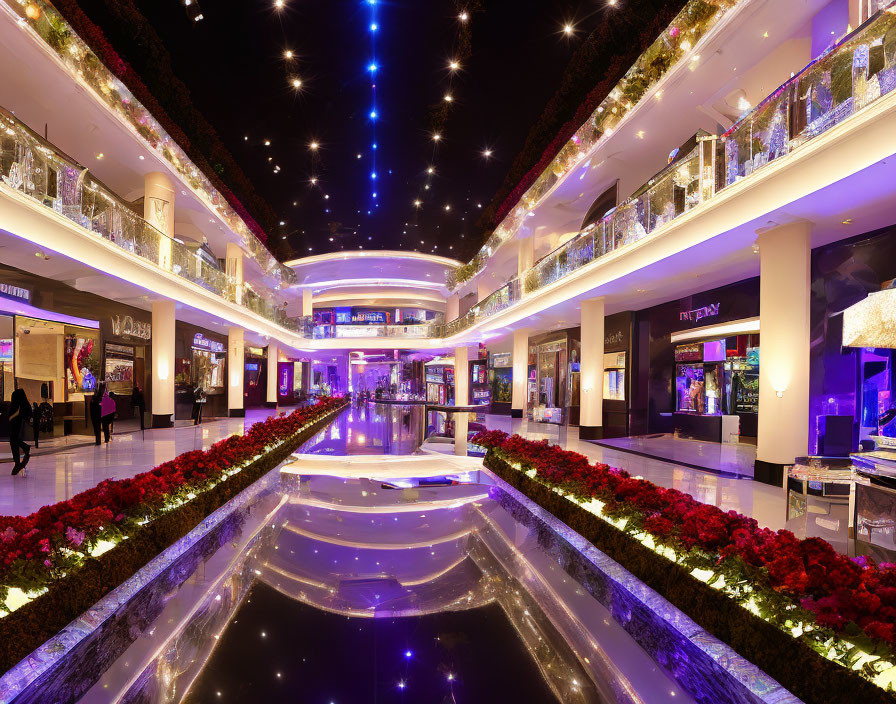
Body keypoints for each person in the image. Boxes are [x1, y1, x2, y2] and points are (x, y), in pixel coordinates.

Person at [7, 388, 32, 475]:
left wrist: (10, 418)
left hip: (15, 423)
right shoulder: (23, 405)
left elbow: (14, 414)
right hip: (17, 423)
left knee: (13, 440)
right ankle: (17, 462)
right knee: (14, 440)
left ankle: (18, 460)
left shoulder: (18, 407)